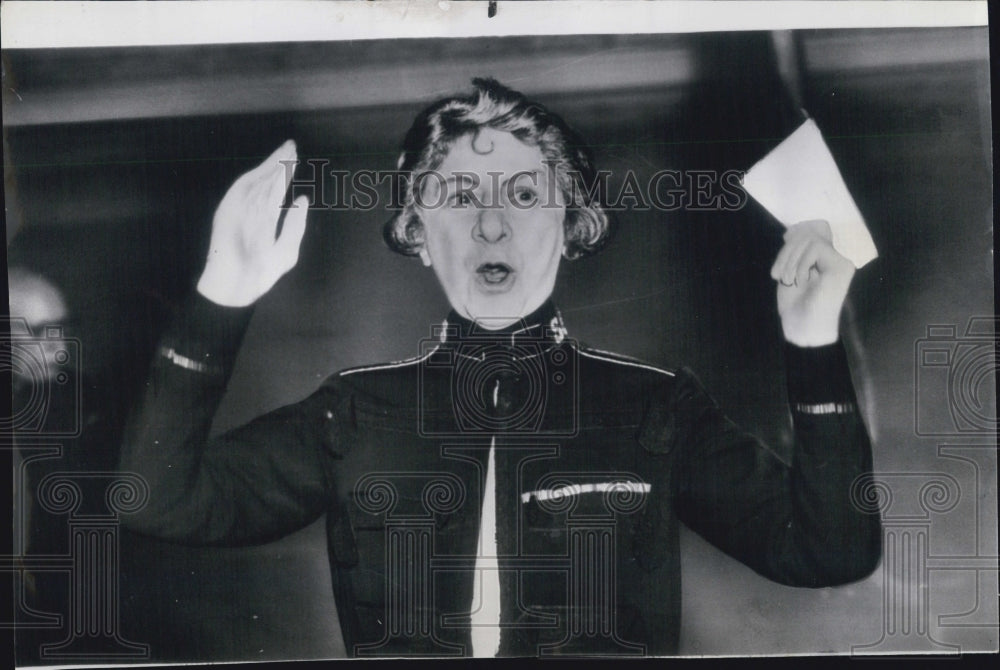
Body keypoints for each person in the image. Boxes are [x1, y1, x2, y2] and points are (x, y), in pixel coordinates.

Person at [119, 78, 881, 657]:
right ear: (417, 232)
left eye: (524, 192)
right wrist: (222, 294)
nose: (491, 221)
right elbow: (155, 500)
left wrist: (812, 348)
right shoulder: (352, 413)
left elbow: (829, 550)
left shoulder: (655, 407)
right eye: (456, 195)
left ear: (570, 224)